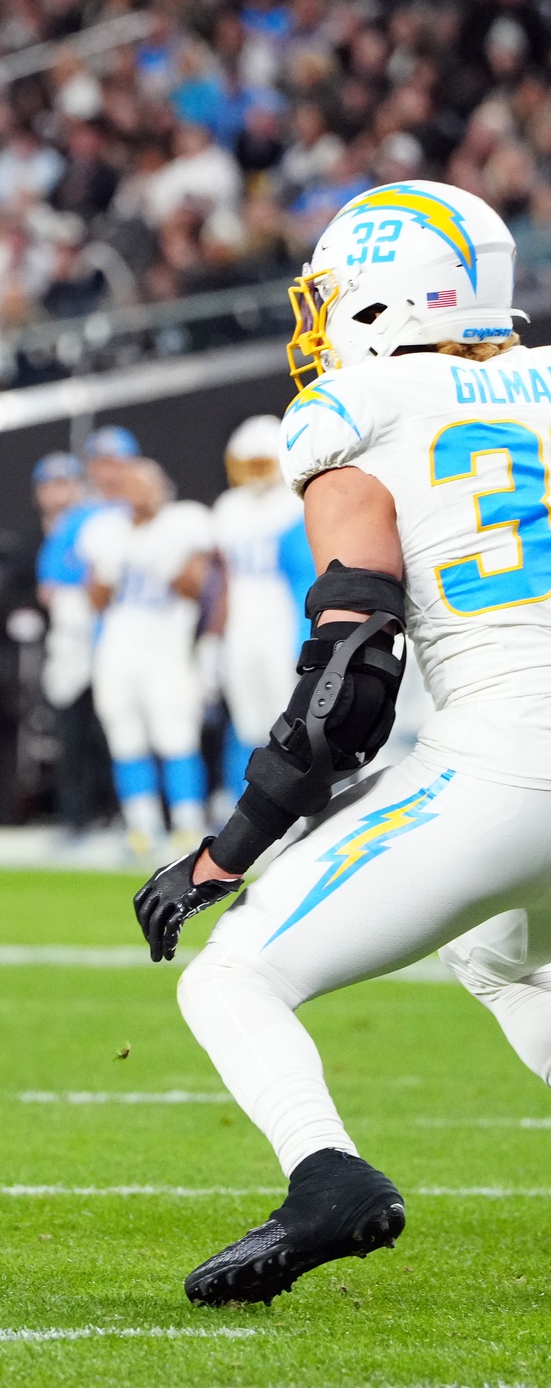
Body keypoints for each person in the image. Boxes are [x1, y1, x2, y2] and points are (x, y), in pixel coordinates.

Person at [132, 181, 551, 1305]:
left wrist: (233, 846)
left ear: (378, 300)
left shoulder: (358, 408)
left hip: (514, 751)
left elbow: (350, 681)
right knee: (509, 958)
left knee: (234, 978)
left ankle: (326, 1180)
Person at [81, 458, 214, 854]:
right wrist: (107, 573)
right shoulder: (106, 531)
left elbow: (196, 588)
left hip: (166, 648)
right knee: (125, 735)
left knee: (176, 735)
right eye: (133, 486)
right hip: (119, 648)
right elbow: (96, 599)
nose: (141, 494)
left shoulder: (184, 523)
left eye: (148, 485)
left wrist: (165, 564)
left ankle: (188, 824)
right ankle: (142, 824)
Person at [210, 415, 313, 805]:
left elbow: (307, 574)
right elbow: (224, 580)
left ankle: (300, 811)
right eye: (247, 463)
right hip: (242, 626)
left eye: (262, 463)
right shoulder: (228, 507)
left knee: (292, 724)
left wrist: (305, 636)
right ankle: (247, 808)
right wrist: (213, 637)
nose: (254, 473)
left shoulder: (296, 503)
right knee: (247, 722)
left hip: (283, 622)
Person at [32, 451, 110, 832]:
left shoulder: (97, 518)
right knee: (72, 731)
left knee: (107, 731)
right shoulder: (58, 529)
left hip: (105, 637)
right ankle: (76, 815)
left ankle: (111, 812)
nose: (58, 493)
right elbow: (47, 589)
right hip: (70, 641)